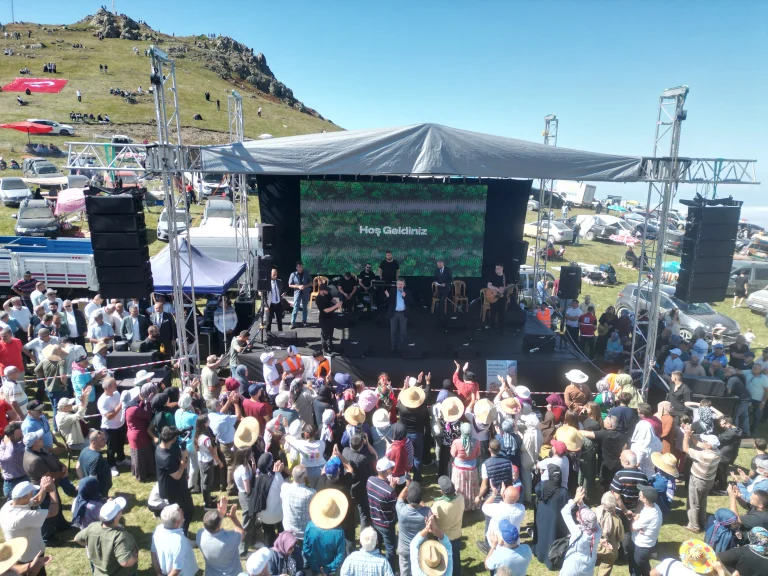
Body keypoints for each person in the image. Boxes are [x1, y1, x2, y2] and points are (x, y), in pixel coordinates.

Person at [75, 496, 138, 575]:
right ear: (116, 518)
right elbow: (125, 562)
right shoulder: (120, 536)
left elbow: (77, 538)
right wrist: (135, 558)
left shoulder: (92, 526)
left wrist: (91, 544)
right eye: (119, 510)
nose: (121, 511)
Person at [0, 478, 56, 565]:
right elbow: (53, 512)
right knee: (37, 571)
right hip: (30, 556)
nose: (32, 493)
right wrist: (53, 491)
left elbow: (36, 500)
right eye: (31, 492)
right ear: (24, 497)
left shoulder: (8, 505)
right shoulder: (22, 516)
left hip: (18, 554)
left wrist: (44, 488)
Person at [155, 426, 194, 534]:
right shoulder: (166, 458)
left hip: (171, 487)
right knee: (187, 512)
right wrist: (183, 459)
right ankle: (183, 534)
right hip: (175, 491)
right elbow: (177, 475)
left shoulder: (159, 448)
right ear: (173, 439)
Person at [683, 427, 721, 533]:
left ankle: (694, 526)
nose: (702, 442)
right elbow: (699, 444)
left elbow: (685, 449)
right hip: (709, 481)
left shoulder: (704, 456)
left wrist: (686, 436)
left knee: (693, 502)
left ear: (709, 446)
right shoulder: (717, 452)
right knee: (702, 501)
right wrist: (691, 435)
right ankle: (702, 521)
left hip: (698, 481)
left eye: (705, 441)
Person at [303, 489, 347, 576]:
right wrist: (328, 569)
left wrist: (315, 566)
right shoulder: (338, 533)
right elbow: (340, 555)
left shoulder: (310, 526)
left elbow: (306, 549)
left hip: (314, 568)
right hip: (331, 571)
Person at [196, 499, 245, 576]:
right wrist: (233, 517)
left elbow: (210, 525)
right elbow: (241, 533)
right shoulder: (229, 539)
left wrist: (221, 514)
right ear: (219, 525)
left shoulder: (200, 535)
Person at [151, 504, 198, 576]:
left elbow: (153, 553)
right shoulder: (179, 541)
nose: (183, 512)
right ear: (177, 522)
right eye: (181, 512)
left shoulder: (158, 529)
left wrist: (159, 573)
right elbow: (176, 569)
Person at [431, 476, 464, 576]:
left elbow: (431, 519)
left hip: (443, 538)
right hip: (457, 536)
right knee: (456, 558)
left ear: (442, 491)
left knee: (443, 562)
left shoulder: (438, 505)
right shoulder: (461, 498)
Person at [396, 481, 430, 576]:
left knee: (405, 572)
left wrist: (407, 486)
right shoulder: (426, 512)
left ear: (407, 498)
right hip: (420, 549)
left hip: (404, 549)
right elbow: (426, 508)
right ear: (420, 500)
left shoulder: (401, 510)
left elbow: (400, 497)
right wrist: (420, 502)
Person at [628, 485, 662, 576]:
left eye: (641, 494)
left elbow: (632, 527)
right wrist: (639, 525)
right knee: (644, 566)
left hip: (641, 547)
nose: (639, 494)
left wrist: (635, 518)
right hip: (648, 545)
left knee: (636, 568)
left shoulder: (648, 515)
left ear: (645, 499)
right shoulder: (655, 506)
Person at [97, 377, 127, 475]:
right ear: (108, 387)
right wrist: (120, 406)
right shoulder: (102, 401)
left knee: (120, 444)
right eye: (114, 384)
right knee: (111, 448)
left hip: (120, 424)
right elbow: (109, 416)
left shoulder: (117, 393)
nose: (116, 385)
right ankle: (111, 465)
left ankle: (121, 459)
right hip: (109, 428)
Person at [593, 492, 625, 576]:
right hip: (609, 550)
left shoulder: (593, 513)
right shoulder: (617, 519)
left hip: (593, 547)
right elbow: (621, 537)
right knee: (604, 571)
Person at [385, 277, 415, 354]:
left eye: (401, 284)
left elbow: (412, 302)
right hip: (394, 313)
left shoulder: (407, 291)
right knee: (393, 331)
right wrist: (387, 297)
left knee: (403, 332)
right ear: (396, 284)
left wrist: (405, 296)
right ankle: (393, 346)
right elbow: (387, 302)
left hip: (403, 313)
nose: (400, 286)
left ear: (404, 285)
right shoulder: (392, 291)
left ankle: (403, 346)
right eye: (398, 284)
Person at [314, 283, 341, 353]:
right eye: (326, 290)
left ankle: (330, 346)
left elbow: (332, 299)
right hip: (324, 318)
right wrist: (336, 306)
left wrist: (336, 303)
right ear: (321, 291)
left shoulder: (327, 294)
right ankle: (325, 349)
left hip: (330, 316)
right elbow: (325, 310)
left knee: (330, 332)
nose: (328, 292)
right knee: (325, 334)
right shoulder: (319, 299)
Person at [486, 263, 508, 333]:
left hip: (502, 297)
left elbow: (508, 286)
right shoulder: (492, 276)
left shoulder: (506, 277)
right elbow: (489, 285)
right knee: (493, 312)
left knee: (501, 313)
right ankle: (492, 326)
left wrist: (504, 288)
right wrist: (497, 289)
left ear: (502, 268)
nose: (496, 270)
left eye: (498, 268)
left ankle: (501, 329)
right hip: (494, 296)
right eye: (496, 268)